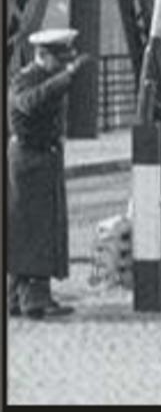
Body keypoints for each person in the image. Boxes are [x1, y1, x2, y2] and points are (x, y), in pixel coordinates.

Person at [7, 28, 92, 319]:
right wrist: (66, 76)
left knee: (31, 228)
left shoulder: (40, 77)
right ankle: (35, 300)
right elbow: (30, 103)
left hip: (42, 159)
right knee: (34, 229)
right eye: (59, 58)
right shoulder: (24, 80)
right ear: (41, 55)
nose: (63, 63)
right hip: (29, 162)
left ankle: (15, 297)